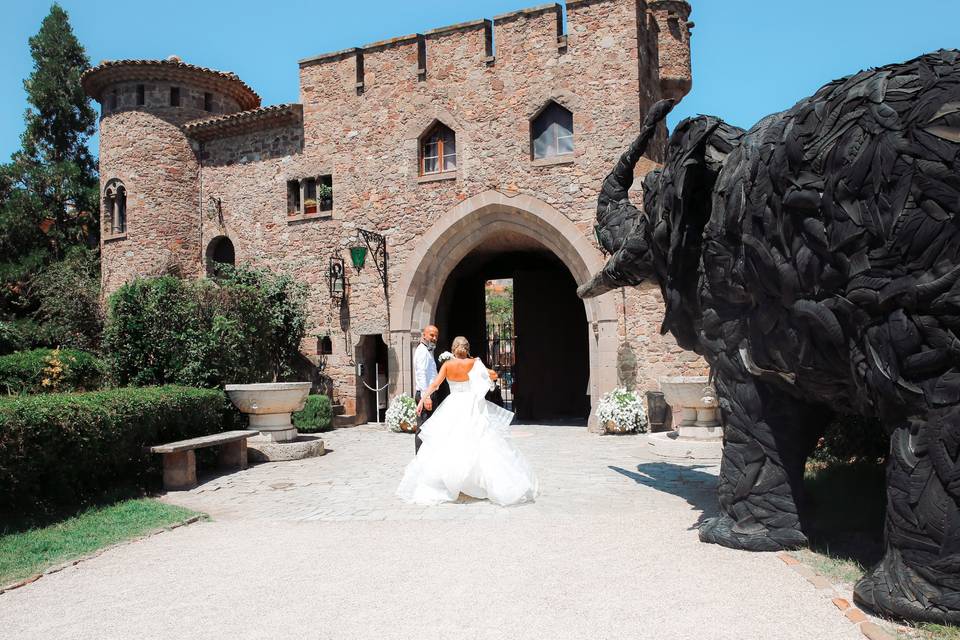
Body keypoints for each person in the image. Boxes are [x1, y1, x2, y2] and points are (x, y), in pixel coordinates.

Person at [396, 336, 539, 506]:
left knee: (450, 442)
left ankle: (453, 484)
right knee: (478, 442)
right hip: (472, 406)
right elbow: (492, 375)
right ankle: (477, 483)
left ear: (453, 348)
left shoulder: (448, 365)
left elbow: (435, 384)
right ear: (467, 348)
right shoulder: (474, 363)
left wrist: (421, 400)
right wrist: (482, 371)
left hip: (453, 405)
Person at [412, 324, 439, 454]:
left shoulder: (429, 351)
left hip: (429, 394)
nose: (434, 338)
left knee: (429, 427)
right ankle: (419, 458)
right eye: (431, 335)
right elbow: (421, 375)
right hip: (425, 395)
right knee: (423, 428)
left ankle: (426, 457)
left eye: (436, 336)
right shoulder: (422, 351)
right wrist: (426, 397)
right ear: (424, 335)